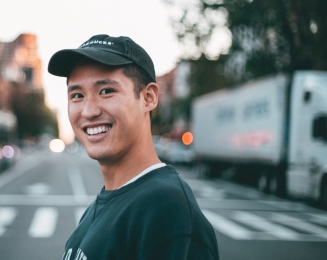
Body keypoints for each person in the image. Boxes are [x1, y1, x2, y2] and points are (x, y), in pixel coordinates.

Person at [48, 34, 219, 260]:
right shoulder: (102, 205)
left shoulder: (164, 208)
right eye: (77, 95)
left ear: (148, 98)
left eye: (106, 91)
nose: (89, 111)